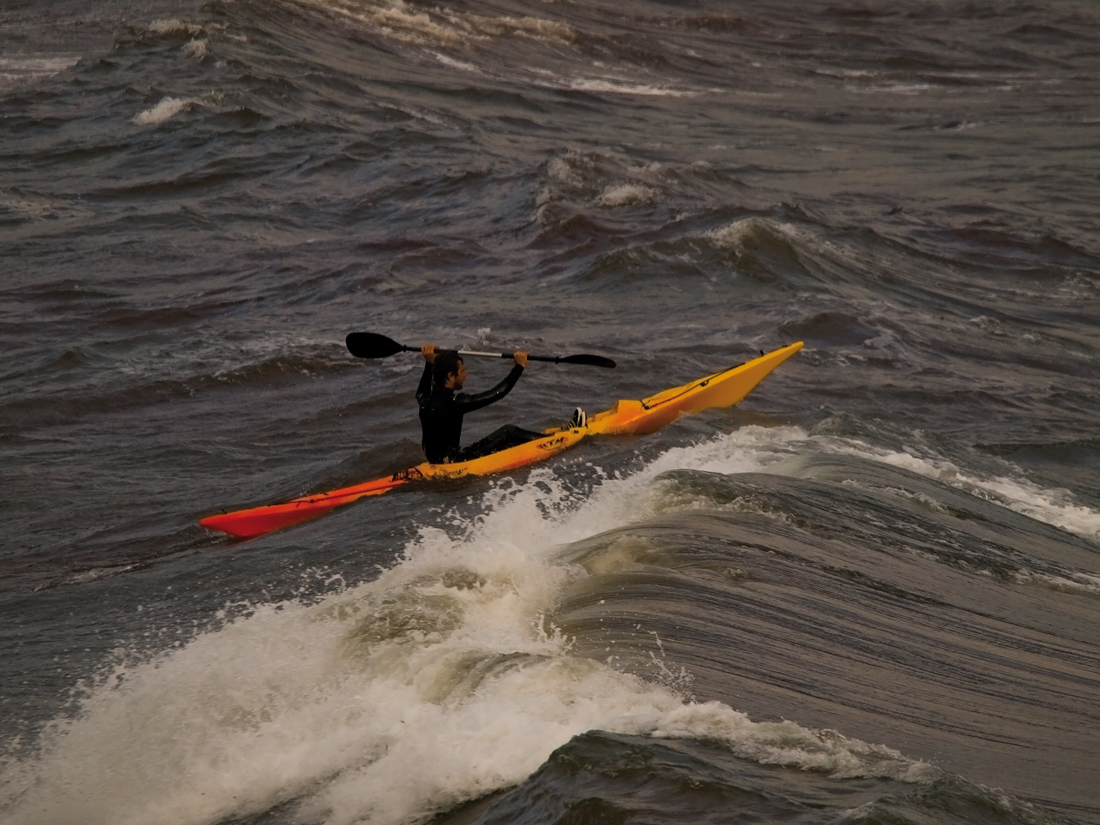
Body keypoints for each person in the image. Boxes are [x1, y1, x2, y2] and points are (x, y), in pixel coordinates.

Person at [416, 344, 548, 464]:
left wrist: (429, 363)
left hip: (435, 462)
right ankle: (551, 441)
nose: (466, 375)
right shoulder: (455, 403)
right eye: (462, 371)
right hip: (455, 461)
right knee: (508, 432)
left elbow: (423, 388)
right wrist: (519, 367)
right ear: (450, 376)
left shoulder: (424, 399)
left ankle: (541, 439)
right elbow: (499, 392)